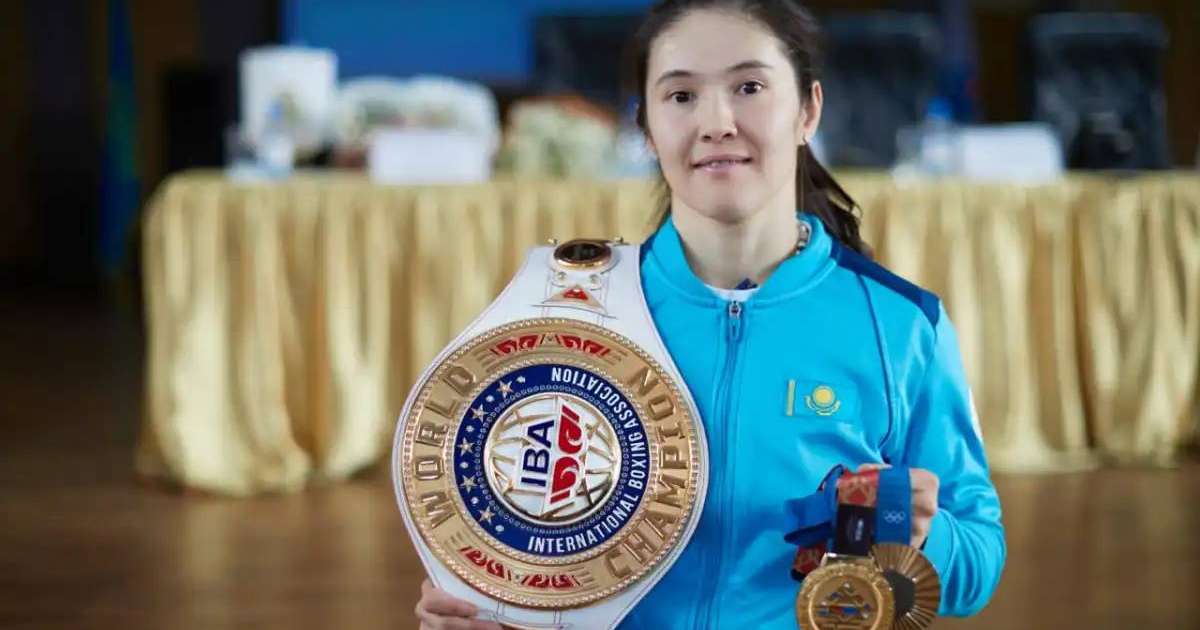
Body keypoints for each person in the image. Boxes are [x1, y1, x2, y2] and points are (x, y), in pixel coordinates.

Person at [415, 1, 1005, 628]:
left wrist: (915, 532)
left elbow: (977, 563)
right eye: (681, 96)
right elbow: (512, 547)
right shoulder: (569, 313)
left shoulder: (902, 326)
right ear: (645, 127)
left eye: (749, 87)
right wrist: (480, 605)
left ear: (808, 110)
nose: (716, 121)